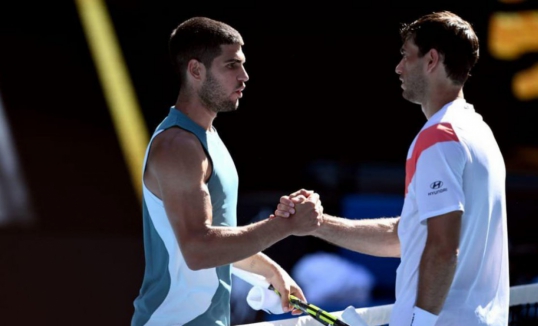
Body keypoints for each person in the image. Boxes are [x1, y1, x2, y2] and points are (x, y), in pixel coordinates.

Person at [274, 11, 510, 326]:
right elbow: (408, 236)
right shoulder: (480, 134)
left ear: (431, 61)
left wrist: (420, 324)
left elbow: (442, 247)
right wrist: (317, 224)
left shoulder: (438, 137)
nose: (398, 68)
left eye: (405, 56)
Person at [130, 16, 324, 326]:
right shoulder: (178, 146)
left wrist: (271, 271)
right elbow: (198, 249)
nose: (244, 76)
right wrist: (285, 226)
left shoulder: (208, 138)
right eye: (231, 65)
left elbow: (219, 240)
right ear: (196, 70)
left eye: (243, 64)